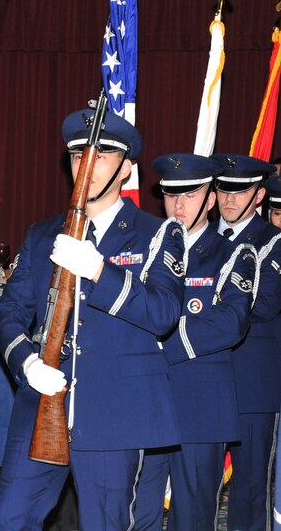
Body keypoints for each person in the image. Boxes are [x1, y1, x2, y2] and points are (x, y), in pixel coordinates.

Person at [0, 107, 186, 530]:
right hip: (41, 405)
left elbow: (164, 314)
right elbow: (9, 312)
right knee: (10, 521)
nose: (86, 166)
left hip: (115, 411)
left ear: (126, 169)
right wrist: (26, 362)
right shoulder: (42, 234)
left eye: (100, 156)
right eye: (79, 156)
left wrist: (100, 271)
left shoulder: (157, 234)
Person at [133, 154, 256, 531]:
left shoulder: (232, 253)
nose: (178, 204)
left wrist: (162, 342)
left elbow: (232, 321)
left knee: (193, 518)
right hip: (147, 401)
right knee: (140, 513)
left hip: (201, 408)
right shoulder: (145, 251)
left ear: (211, 198)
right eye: (171, 195)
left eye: (190, 194)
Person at [210, 153, 281, 531]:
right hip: (204, 378)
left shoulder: (273, 242)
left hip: (253, 382)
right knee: (198, 486)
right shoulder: (200, 238)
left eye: (240, 192)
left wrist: (210, 299)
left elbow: (267, 304)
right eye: (223, 189)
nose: (230, 199)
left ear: (258, 195)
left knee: (251, 490)